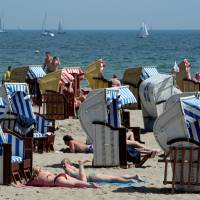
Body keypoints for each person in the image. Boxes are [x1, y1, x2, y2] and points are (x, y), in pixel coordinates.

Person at [61, 159, 142, 183]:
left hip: (92, 177)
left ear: (69, 164)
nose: (63, 166)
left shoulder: (69, 170)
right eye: (63, 165)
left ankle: (129, 181)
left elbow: (71, 177)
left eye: (64, 164)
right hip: (93, 175)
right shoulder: (72, 169)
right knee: (114, 177)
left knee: (112, 179)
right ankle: (134, 177)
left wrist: (65, 169)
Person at [26, 166, 99, 188]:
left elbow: (28, 184)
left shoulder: (36, 179)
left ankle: (90, 185)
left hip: (57, 181)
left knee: (75, 184)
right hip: (60, 175)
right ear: (39, 169)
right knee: (78, 182)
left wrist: (25, 184)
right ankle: (89, 184)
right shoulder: (45, 171)